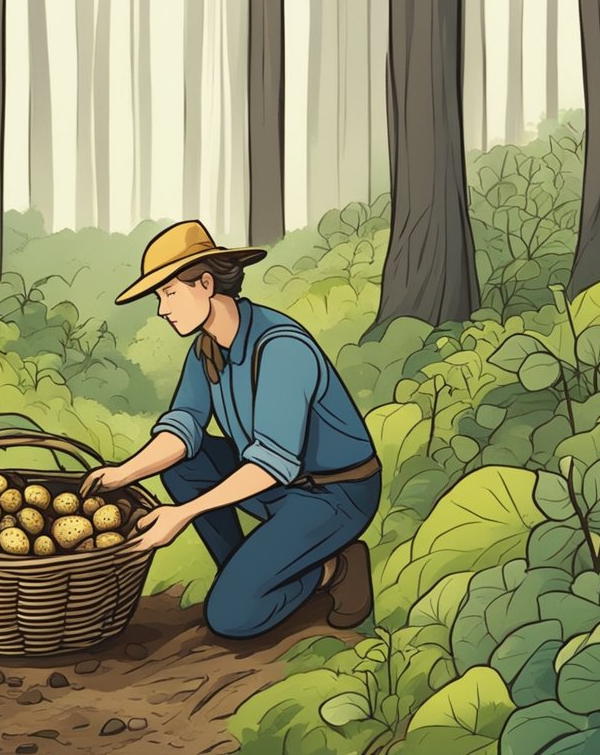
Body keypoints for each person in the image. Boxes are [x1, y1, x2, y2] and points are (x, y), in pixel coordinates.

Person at [80, 220, 382, 637]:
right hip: (274, 486)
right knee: (184, 464)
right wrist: (123, 472)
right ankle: (253, 571)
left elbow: (272, 462)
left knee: (230, 617)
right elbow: (183, 427)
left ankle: (334, 567)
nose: (162, 309)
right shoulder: (206, 347)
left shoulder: (281, 349)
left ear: (205, 283)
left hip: (332, 494)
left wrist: (182, 515)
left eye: (168, 293)